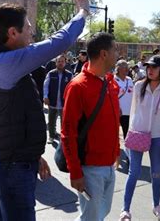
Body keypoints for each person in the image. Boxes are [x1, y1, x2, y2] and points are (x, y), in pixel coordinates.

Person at [0, 0, 90, 221]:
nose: (32, 33)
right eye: (28, 28)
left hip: (16, 162)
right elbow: (58, 42)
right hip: (13, 167)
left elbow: (15, 117)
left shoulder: (7, 64)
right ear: (12, 32)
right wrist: (83, 12)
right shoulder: (5, 63)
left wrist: (34, 156)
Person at [62, 32, 120, 221]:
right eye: (115, 49)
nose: (117, 53)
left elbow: (112, 123)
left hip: (109, 165)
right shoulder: (78, 86)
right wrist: (75, 171)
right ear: (104, 54)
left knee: (99, 214)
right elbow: (67, 133)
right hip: (90, 169)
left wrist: (116, 151)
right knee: (92, 218)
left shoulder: (111, 83)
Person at [119, 55, 160, 221]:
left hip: (158, 138)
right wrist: (129, 135)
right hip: (138, 135)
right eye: (148, 67)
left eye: (154, 67)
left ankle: (156, 205)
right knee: (134, 173)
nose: (149, 70)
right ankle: (125, 210)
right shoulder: (138, 86)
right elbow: (133, 111)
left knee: (156, 173)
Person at [43, 54, 73, 144]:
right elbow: (46, 86)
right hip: (52, 101)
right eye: (59, 61)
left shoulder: (69, 74)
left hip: (64, 103)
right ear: (56, 63)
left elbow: (72, 88)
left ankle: (64, 138)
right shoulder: (51, 73)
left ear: (65, 63)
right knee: (51, 120)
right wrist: (45, 96)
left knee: (65, 121)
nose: (60, 63)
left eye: (62, 61)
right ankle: (51, 136)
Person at [114, 59, 134, 140]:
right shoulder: (113, 80)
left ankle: (127, 151)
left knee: (127, 134)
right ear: (118, 68)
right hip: (117, 111)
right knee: (114, 134)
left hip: (128, 112)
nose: (127, 68)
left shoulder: (129, 79)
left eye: (127, 66)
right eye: (124, 66)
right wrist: (117, 107)